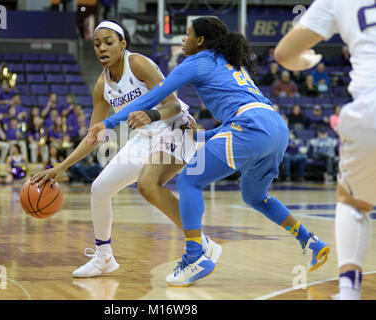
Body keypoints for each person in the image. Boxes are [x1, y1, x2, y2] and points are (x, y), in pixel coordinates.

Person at [89, 16, 330, 287]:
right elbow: (237, 117)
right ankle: (309, 240)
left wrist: (108, 122)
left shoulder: (196, 61)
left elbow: (154, 96)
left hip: (249, 127)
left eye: (188, 34)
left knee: (189, 180)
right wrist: (203, 136)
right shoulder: (230, 63)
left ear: (200, 41)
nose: (183, 40)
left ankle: (196, 256)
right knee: (255, 197)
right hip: (274, 126)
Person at [32, 20, 222, 278]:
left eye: (109, 42)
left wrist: (151, 114)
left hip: (176, 128)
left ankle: (202, 244)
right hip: (145, 137)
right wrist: (62, 167)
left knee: (147, 185)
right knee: (99, 189)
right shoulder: (102, 86)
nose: (102, 48)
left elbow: (174, 106)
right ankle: (104, 257)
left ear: (123, 44)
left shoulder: (138, 64)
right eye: (97, 44)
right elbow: (95, 134)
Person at [274, 0, 376, 300]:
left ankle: (348, 292)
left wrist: (304, 62)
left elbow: (284, 53)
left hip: (370, 106)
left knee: (353, 201)